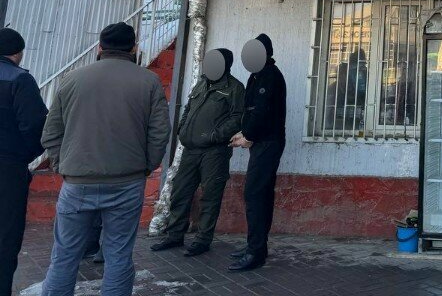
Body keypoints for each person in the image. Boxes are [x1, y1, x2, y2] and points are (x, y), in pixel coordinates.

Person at [41, 22, 170, 296]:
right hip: (127, 182)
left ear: (100, 47)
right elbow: (160, 133)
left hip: (77, 181)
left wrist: (62, 165)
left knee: (64, 257)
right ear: (134, 48)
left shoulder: (72, 79)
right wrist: (146, 166)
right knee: (119, 256)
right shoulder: (148, 81)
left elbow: (51, 132)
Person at [151, 48, 244, 257]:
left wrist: (214, 135)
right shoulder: (201, 83)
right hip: (191, 150)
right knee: (180, 192)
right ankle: (175, 235)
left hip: (215, 152)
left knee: (210, 196)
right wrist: (182, 130)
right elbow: (188, 108)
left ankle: (203, 240)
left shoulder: (235, 88)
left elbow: (238, 118)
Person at [228, 34, 286, 272]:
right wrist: (244, 132)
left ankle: (256, 252)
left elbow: (261, 112)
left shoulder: (269, 75)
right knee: (259, 195)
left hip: (268, 143)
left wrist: (248, 136)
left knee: (255, 195)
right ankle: (256, 246)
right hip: (261, 142)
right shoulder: (257, 75)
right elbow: (251, 111)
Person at [0, 28, 47, 296]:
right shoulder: (20, 80)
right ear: (17, 54)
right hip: (7, 169)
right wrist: (22, 159)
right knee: (5, 237)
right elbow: (37, 127)